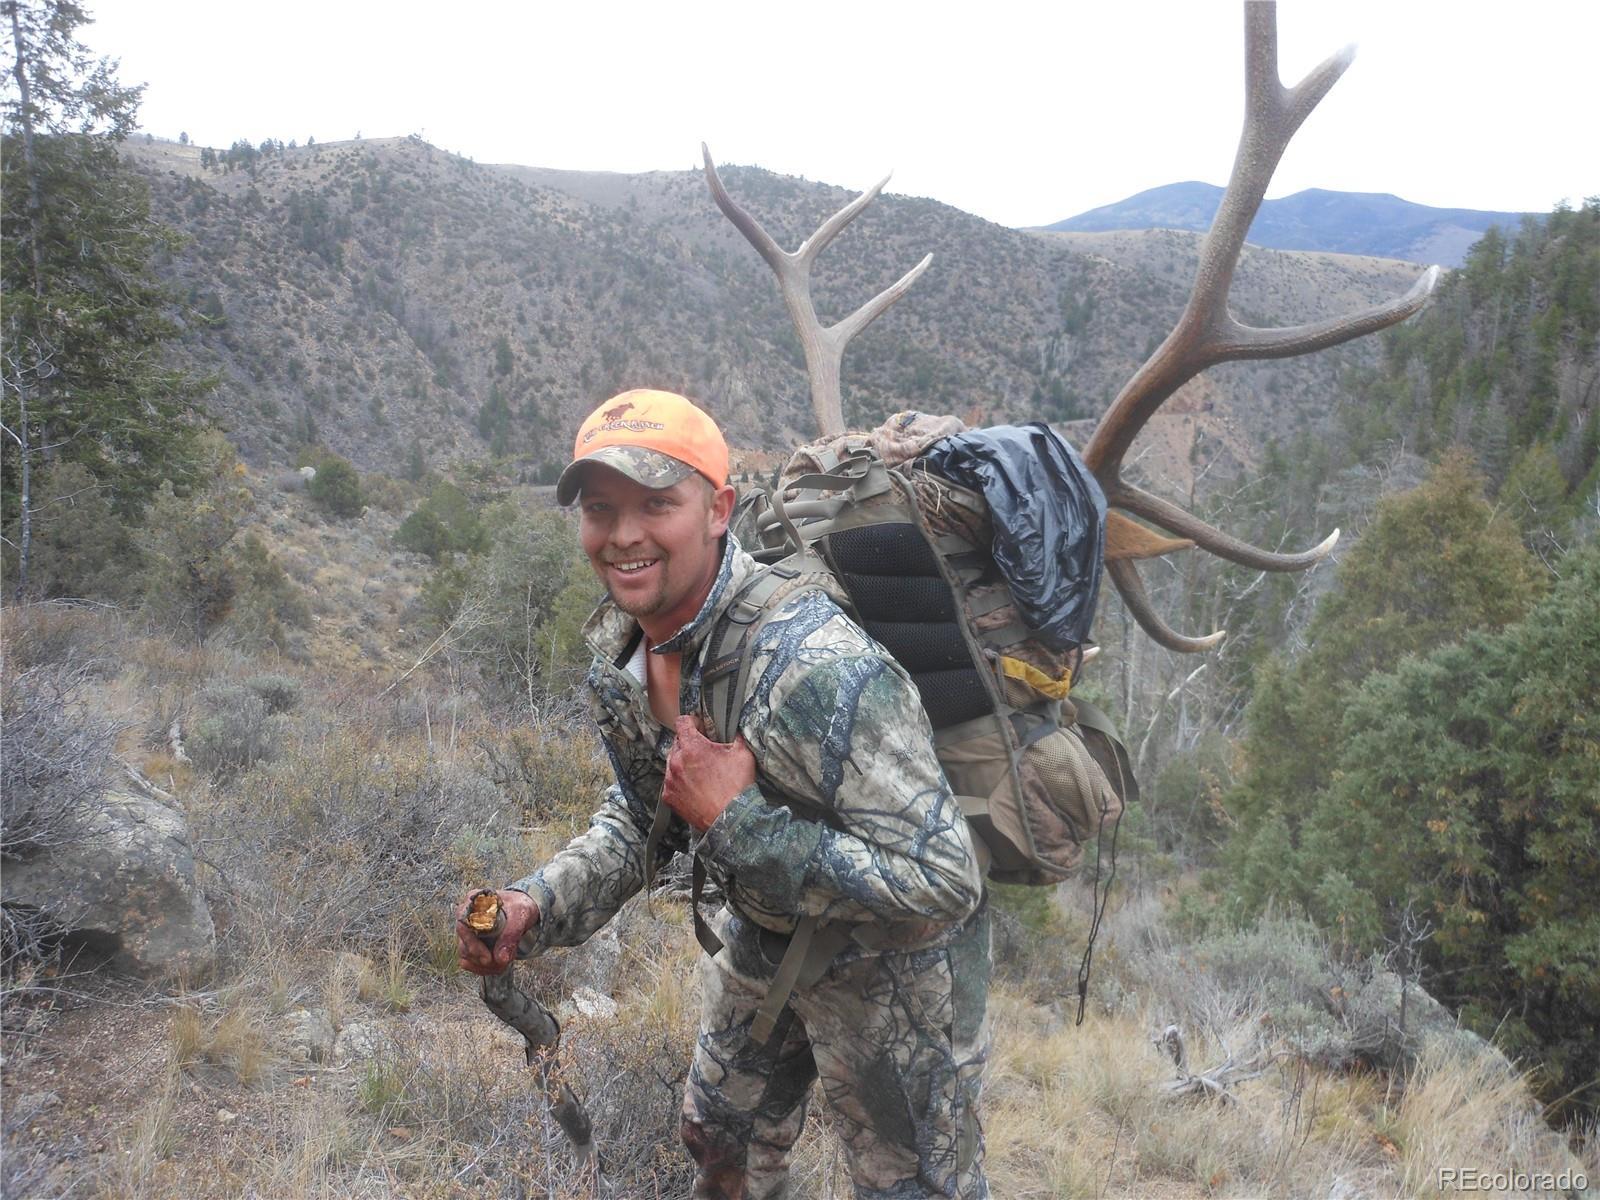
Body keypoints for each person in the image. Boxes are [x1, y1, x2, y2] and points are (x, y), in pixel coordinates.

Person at [456, 388, 992, 1199]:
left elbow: (946, 877)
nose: (624, 535)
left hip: (896, 968)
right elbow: (646, 815)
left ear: (718, 509)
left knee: (910, 1187)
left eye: (657, 505)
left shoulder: (818, 666)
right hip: (770, 934)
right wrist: (538, 906)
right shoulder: (623, 650)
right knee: (720, 1142)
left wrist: (737, 822)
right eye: (600, 510)